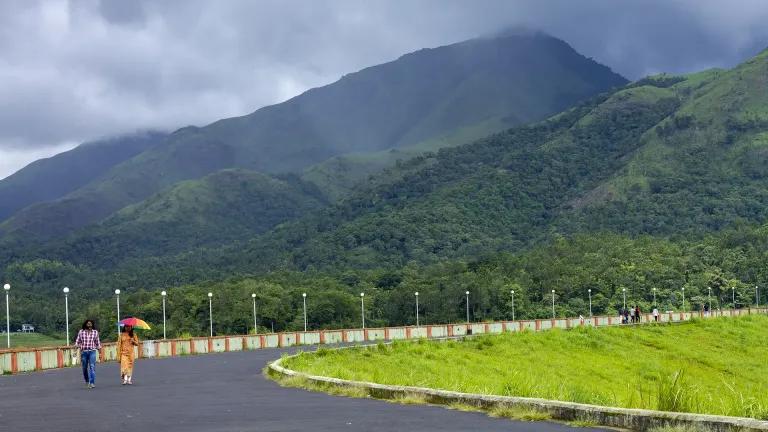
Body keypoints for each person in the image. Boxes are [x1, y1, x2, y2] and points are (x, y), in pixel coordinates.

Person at [75, 319, 101, 389]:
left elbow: (97, 343)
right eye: (88, 324)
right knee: (84, 368)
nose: (89, 325)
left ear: (92, 325)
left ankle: (92, 382)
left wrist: (100, 352)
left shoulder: (95, 332)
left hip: (92, 351)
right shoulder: (81, 332)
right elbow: (77, 341)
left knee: (92, 367)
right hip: (84, 352)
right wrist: (77, 346)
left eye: (90, 324)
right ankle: (87, 380)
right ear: (85, 324)